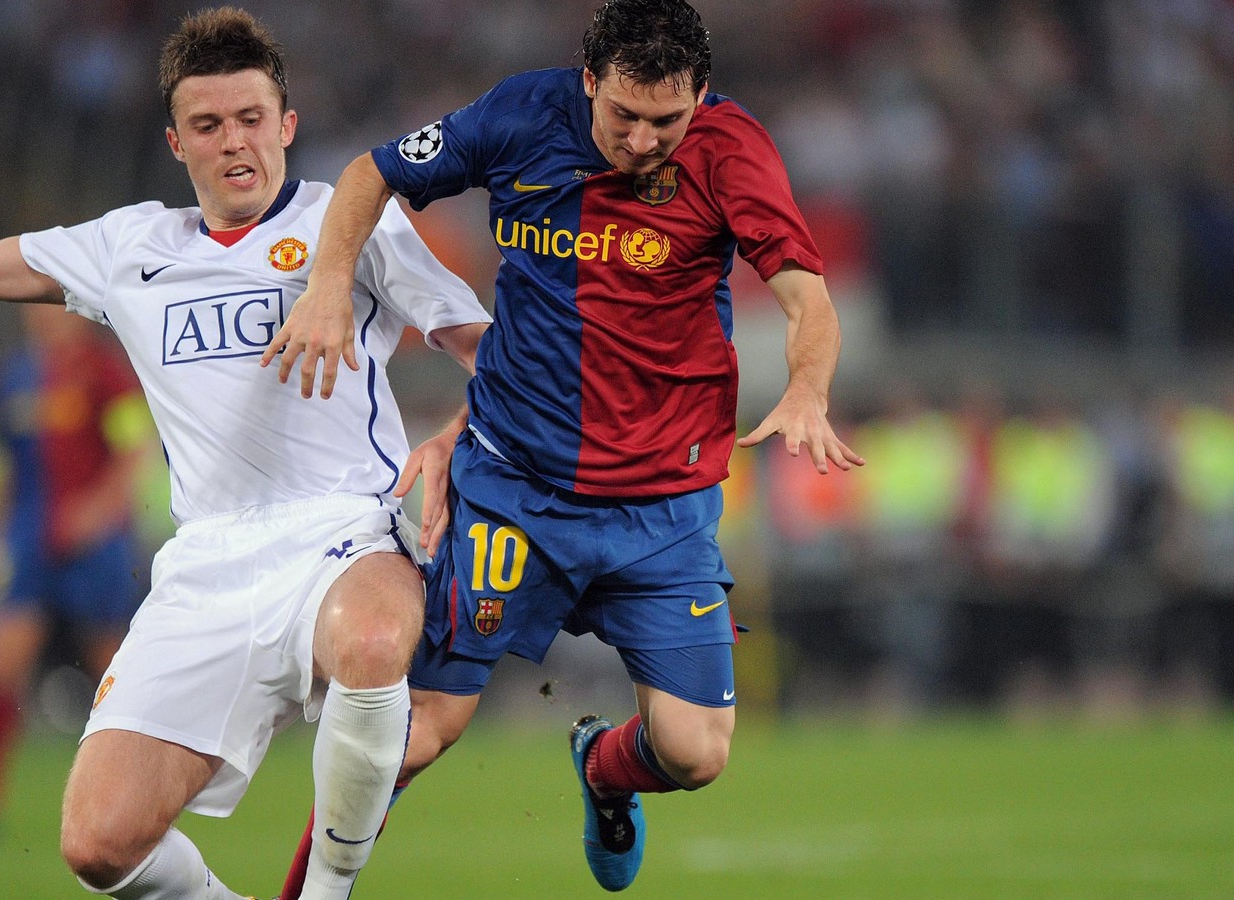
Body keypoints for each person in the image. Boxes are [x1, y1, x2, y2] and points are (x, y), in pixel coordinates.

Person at [0, 7, 490, 899]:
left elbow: (488, 351)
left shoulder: (349, 221)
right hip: (206, 563)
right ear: (176, 143)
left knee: (374, 641)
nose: (234, 142)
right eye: (208, 125)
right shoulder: (131, 245)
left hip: (341, 535)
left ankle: (326, 894)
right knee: (100, 845)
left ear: (287, 125)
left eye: (251, 118)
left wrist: (456, 431)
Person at [263, 0, 862, 892]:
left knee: (695, 752)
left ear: (701, 93)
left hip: (661, 508)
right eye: (624, 114)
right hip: (517, 489)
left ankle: (604, 771)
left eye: (668, 119)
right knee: (417, 732)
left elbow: (808, 298)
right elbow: (368, 173)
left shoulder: (732, 149)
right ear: (588, 80)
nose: (644, 140)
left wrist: (808, 388)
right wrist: (329, 283)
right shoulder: (520, 115)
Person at [0, 305, 152, 843]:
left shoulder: (104, 372)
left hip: (95, 543)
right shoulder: (13, 378)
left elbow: (133, 452)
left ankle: (140, 789)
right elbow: (2, 466)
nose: (41, 315)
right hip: (27, 540)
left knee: (115, 671)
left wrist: (98, 512)